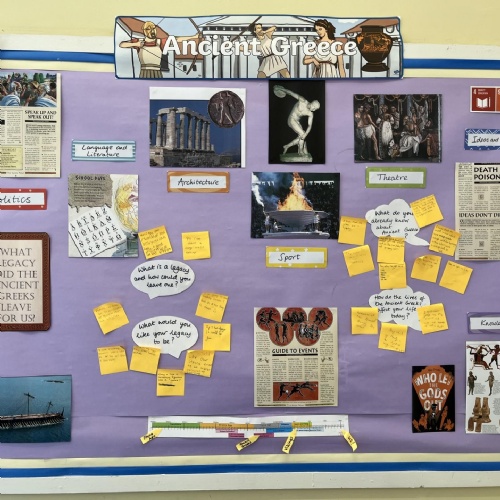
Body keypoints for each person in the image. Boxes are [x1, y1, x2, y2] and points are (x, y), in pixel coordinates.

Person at [274, 85, 320, 156]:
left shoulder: (310, 113)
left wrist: (306, 134)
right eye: (314, 108)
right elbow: (291, 93)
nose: (313, 110)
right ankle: (300, 151)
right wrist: (282, 89)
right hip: (291, 119)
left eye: (315, 109)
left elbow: (309, 125)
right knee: (302, 134)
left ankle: (287, 146)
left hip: (297, 122)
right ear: (312, 104)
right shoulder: (303, 101)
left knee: (303, 136)